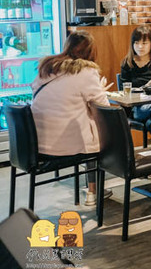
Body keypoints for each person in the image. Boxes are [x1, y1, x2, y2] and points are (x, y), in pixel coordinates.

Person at [31, 31, 110, 206]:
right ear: (91, 51)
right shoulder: (87, 72)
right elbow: (104, 108)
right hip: (64, 146)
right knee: (98, 134)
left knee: (86, 125)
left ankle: (93, 190)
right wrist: (101, 90)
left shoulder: (48, 68)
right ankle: (94, 190)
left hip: (37, 145)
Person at [119, 25, 151, 142]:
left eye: (144, 43)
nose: (140, 47)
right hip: (137, 109)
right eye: (136, 43)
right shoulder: (127, 63)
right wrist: (146, 87)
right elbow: (124, 92)